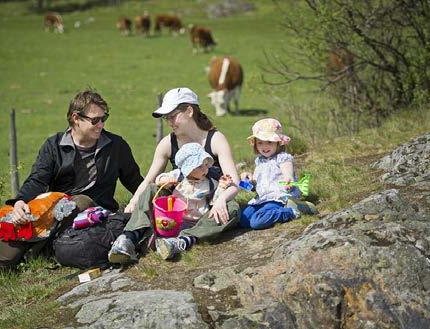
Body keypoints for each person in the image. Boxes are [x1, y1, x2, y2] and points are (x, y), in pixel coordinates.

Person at [0, 90, 143, 301]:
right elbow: (37, 179)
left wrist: (157, 196)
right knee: (22, 217)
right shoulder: (53, 145)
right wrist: (20, 202)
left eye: (104, 118)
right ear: (76, 118)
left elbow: (135, 181)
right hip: (55, 212)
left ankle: (32, 250)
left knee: (80, 201)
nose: (101, 124)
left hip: (94, 213)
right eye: (95, 120)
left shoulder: (116, 146)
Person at [108, 87, 240, 264]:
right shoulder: (167, 143)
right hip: (175, 210)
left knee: (233, 208)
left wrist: (222, 199)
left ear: (190, 111)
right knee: (153, 188)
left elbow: (235, 181)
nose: (169, 122)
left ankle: (182, 241)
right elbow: (149, 180)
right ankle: (128, 240)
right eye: (166, 118)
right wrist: (133, 203)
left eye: (172, 116)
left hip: (208, 207)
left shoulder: (215, 140)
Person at [153, 142, 233, 259]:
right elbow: (159, 178)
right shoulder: (179, 175)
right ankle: (158, 242)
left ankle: (181, 242)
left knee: (205, 224)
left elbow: (214, 201)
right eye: (200, 166)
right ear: (188, 167)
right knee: (166, 228)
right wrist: (166, 180)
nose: (205, 169)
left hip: (197, 221)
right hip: (176, 219)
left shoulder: (209, 183)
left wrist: (221, 186)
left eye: (206, 165)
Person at [239, 118, 317, 230]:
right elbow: (255, 186)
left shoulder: (282, 158)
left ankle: (293, 211)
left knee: (256, 222)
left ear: (278, 143)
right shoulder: (259, 161)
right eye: (260, 143)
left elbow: (288, 174)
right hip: (262, 199)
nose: (264, 147)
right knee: (244, 220)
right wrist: (248, 180)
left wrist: (288, 180)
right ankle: (278, 212)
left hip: (278, 198)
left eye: (269, 142)